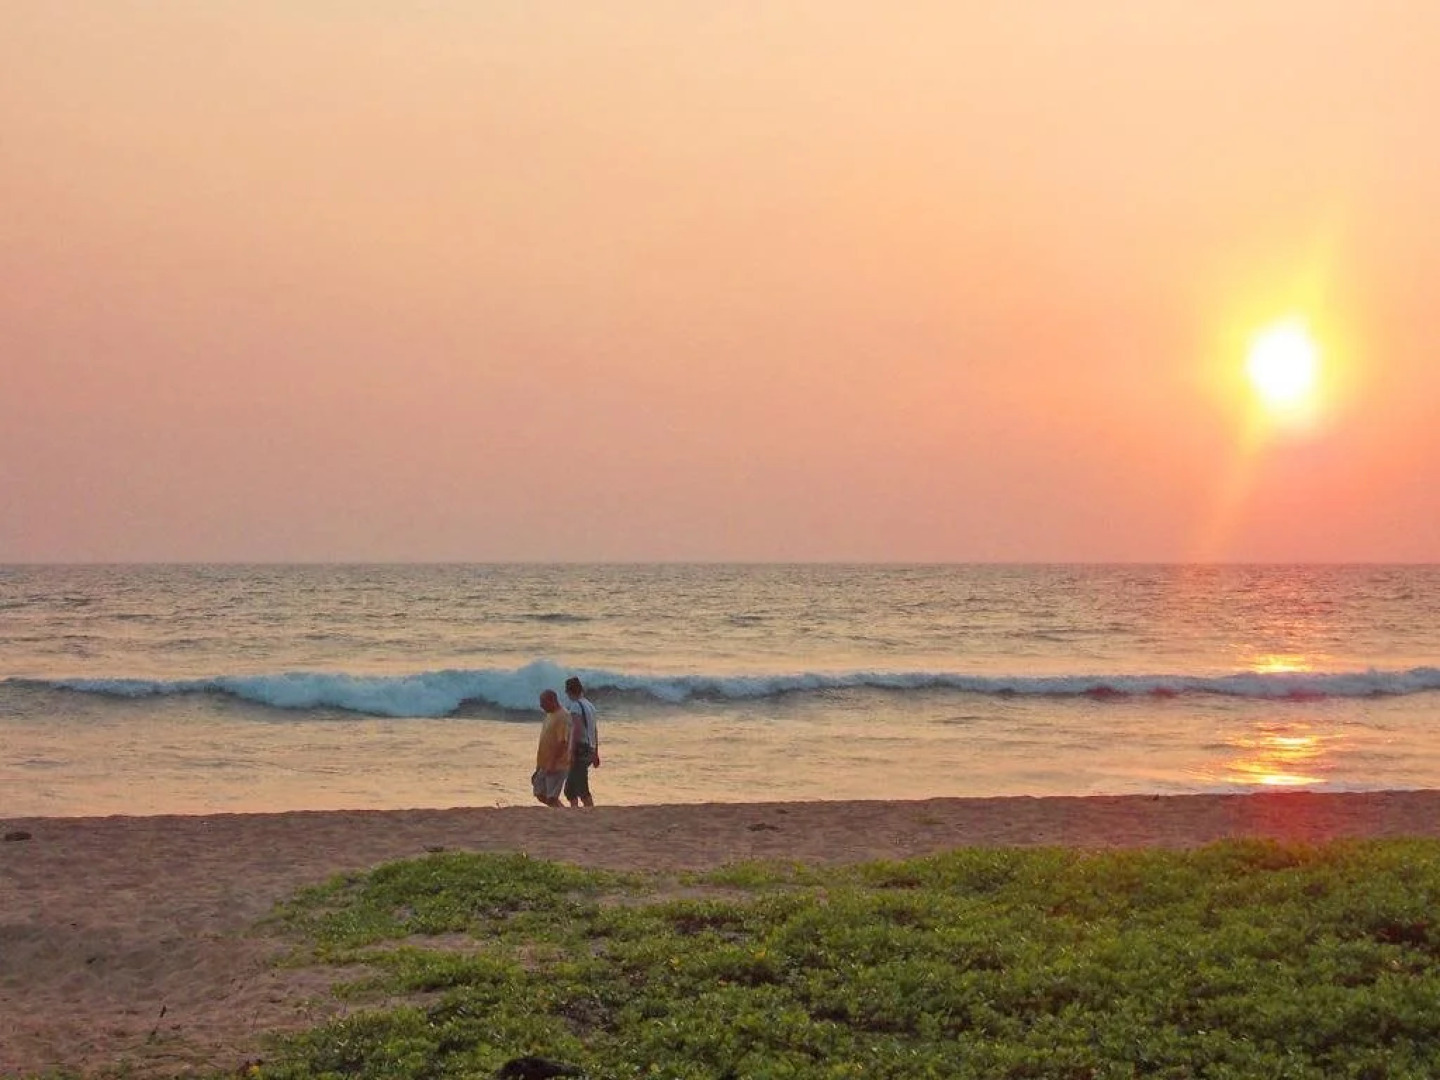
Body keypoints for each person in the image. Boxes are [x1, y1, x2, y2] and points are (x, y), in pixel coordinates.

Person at [563, 676, 599, 807]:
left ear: (569, 691)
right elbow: (594, 730)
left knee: (581, 788)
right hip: (589, 748)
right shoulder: (590, 705)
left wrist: (571, 751)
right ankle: (576, 811)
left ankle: (590, 811)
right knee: (570, 789)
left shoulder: (575, 706)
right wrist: (596, 752)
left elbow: (576, 730)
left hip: (580, 749)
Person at [531, 689, 571, 807]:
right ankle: (562, 811)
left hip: (557, 764)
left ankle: (563, 814)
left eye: (543, 702)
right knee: (539, 793)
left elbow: (562, 743)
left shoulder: (563, 716)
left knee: (551, 798)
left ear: (552, 701)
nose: (541, 705)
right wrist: (539, 766)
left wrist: (552, 763)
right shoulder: (549, 715)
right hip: (544, 763)